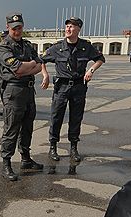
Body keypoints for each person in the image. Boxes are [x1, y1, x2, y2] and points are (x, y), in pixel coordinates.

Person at [40, 16, 105, 163]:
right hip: (61, 87)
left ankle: (74, 147)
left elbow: (100, 59)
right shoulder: (57, 47)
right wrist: (45, 75)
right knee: (56, 117)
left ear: (78, 29)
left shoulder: (85, 46)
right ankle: (53, 146)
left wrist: (91, 70)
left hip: (78, 86)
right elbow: (41, 60)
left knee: (76, 117)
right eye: (67, 26)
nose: (68, 29)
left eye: (72, 26)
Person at [0, 12, 44, 181]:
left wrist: (28, 67)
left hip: (28, 91)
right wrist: (30, 65)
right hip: (13, 92)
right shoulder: (4, 47)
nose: (18, 31)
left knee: (27, 127)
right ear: (8, 27)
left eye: (20, 27)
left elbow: (39, 66)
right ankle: (6, 164)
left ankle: (26, 159)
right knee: (11, 128)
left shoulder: (27, 45)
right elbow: (18, 69)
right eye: (14, 28)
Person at [0, 30, 9, 117]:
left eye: (4, 37)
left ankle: (7, 108)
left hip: (9, 75)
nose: (3, 39)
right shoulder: (1, 46)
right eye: (2, 37)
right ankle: (5, 107)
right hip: (1, 74)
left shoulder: (10, 46)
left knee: (7, 93)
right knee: (2, 92)